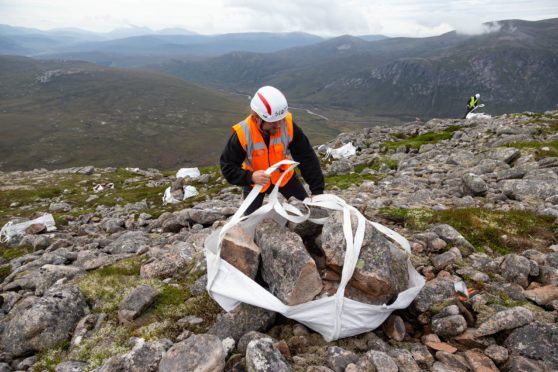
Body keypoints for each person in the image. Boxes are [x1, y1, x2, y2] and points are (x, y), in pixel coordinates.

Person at [220, 85, 324, 215]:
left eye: (280, 119)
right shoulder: (243, 133)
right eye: (273, 122)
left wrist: (317, 191)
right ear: (257, 118)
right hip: (256, 181)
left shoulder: (288, 125)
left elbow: (306, 157)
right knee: (248, 223)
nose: (279, 124)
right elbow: (227, 166)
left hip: (283, 176)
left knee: (307, 213)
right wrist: (250, 177)